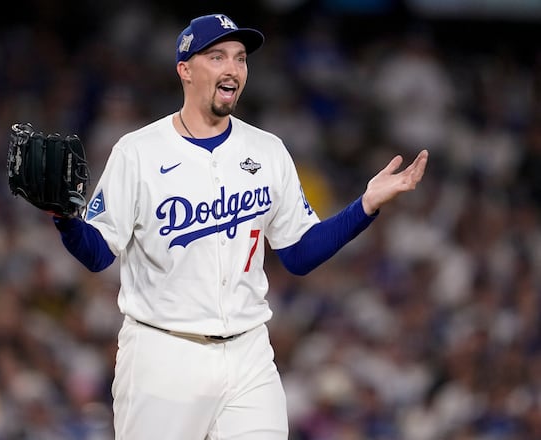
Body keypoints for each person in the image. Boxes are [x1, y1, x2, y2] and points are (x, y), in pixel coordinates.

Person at [49, 13, 428, 440]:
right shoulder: (137, 152)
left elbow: (299, 254)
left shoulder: (267, 150)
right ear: (185, 70)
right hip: (164, 353)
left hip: (249, 353)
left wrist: (364, 206)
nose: (232, 68)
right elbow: (100, 254)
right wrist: (66, 220)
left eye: (240, 58)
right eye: (217, 57)